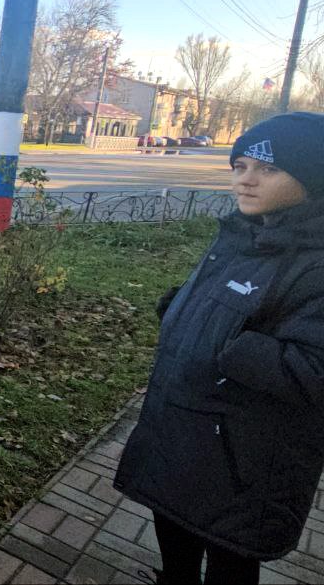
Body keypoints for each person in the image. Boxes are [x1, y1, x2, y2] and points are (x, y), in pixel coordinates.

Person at [114, 112, 324, 585]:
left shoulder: (314, 262)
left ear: (311, 177)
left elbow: (314, 369)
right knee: (174, 526)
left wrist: (227, 342)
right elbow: (231, 301)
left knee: (230, 557)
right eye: (240, 166)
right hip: (184, 429)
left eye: (267, 169)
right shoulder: (243, 232)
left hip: (246, 460)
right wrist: (182, 308)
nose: (246, 181)